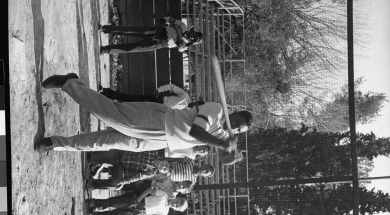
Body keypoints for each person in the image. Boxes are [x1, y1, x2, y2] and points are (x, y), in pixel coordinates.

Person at [34, 74, 252, 165]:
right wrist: (224, 144)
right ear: (234, 113)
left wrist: (233, 156)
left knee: (102, 142)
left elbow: (223, 159)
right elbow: (196, 132)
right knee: (106, 112)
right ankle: (70, 83)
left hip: (159, 142)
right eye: (239, 120)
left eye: (240, 129)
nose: (237, 127)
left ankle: (54, 144)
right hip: (159, 120)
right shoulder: (216, 111)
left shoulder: (222, 136)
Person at [99, 16, 203, 54]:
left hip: (158, 43)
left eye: (195, 39)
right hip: (158, 32)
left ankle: (106, 49)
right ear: (194, 31)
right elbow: (172, 20)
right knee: (131, 31)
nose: (193, 37)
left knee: (132, 48)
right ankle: (105, 28)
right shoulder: (183, 26)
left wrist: (188, 44)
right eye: (195, 35)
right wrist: (164, 20)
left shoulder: (184, 44)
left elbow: (180, 49)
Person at [88, 188, 187, 215]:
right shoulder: (164, 195)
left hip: (139, 211)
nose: (175, 204)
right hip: (136, 201)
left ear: (176, 209)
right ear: (176, 198)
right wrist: (138, 199)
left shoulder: (165, 212)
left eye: (176, 206)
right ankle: (94, 203)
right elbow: (149, 190)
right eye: (177, 202)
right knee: (114, 202)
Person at [86, 150, 169, 190]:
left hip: (121, 167)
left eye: (164, 169)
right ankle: (96, 163)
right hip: (119, 153)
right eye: (166, 165)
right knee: (90, 157)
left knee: (115, 183)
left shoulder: (151, 172)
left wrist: (122, 182)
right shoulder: (153, 152)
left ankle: (92, 184)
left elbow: (136, 177)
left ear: (162, 172)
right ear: (165, 160)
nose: (163, 167)